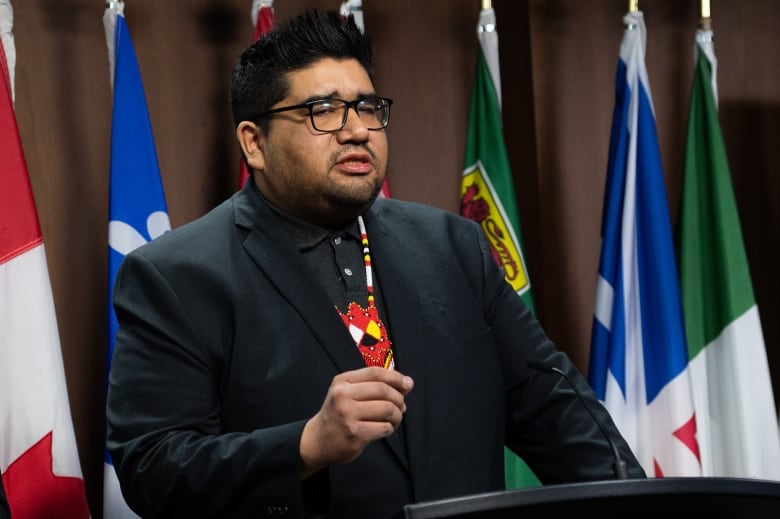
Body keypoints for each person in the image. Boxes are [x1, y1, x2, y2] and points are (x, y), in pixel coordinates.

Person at [106, 9, 645, 519]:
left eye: (368, 107)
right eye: (323, 111)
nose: (358, 129)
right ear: (255, 143)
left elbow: (554, 407)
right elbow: (151, 468)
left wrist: (642, 501)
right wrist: (305, 445)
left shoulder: (454, 248)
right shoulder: (176, 275)